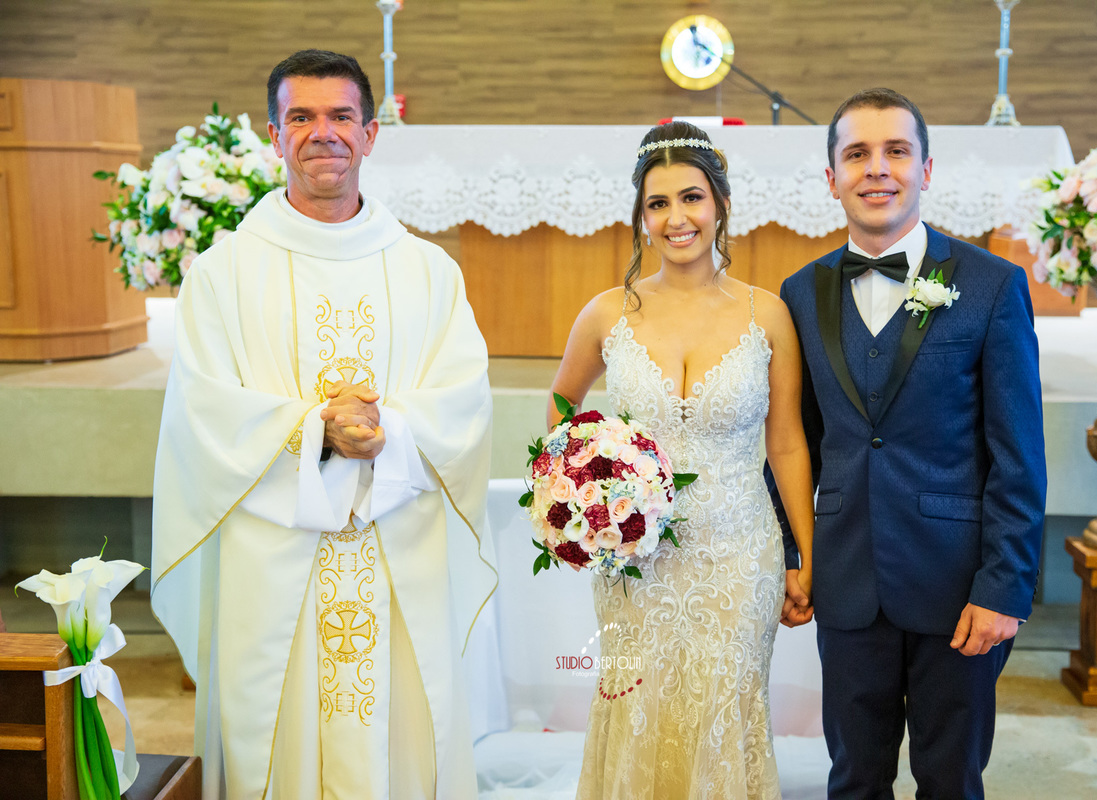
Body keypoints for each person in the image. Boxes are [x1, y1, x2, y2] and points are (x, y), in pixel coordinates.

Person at [150, 49, 495, 800]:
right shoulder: (222, 274)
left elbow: (465, 398)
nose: (323, 134)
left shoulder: (429, 271)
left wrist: (389, 430)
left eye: (341, 116)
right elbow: (203, 413)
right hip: (275, 563)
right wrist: (315, 431)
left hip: (396, 549)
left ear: (370, 133)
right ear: (275, 135)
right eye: (301, 117)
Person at [768, 88, 1046, 799]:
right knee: (853, 779)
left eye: (896, 151)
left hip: (958, 588)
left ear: (925, 170)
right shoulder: (799, 294)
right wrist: (791, 555)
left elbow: (1018, 457)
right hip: (847, 582)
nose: (876, 169)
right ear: (831, 177)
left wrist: (1004, 586)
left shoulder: (991, 285)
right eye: (856, 154)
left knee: (950, 781)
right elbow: (794, 441)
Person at [549, 121, 816, 800]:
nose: (677, 218)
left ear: (720, 204)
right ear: (641, 216)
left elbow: (786, 442)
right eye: (658, 203)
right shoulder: (607, 314)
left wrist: (805, 556)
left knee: (724, 707)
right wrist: (581, 487)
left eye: (691, 198)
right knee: (636, 704)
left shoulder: (767, 315)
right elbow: (561, 407)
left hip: (739, 556)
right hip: (636, 559)